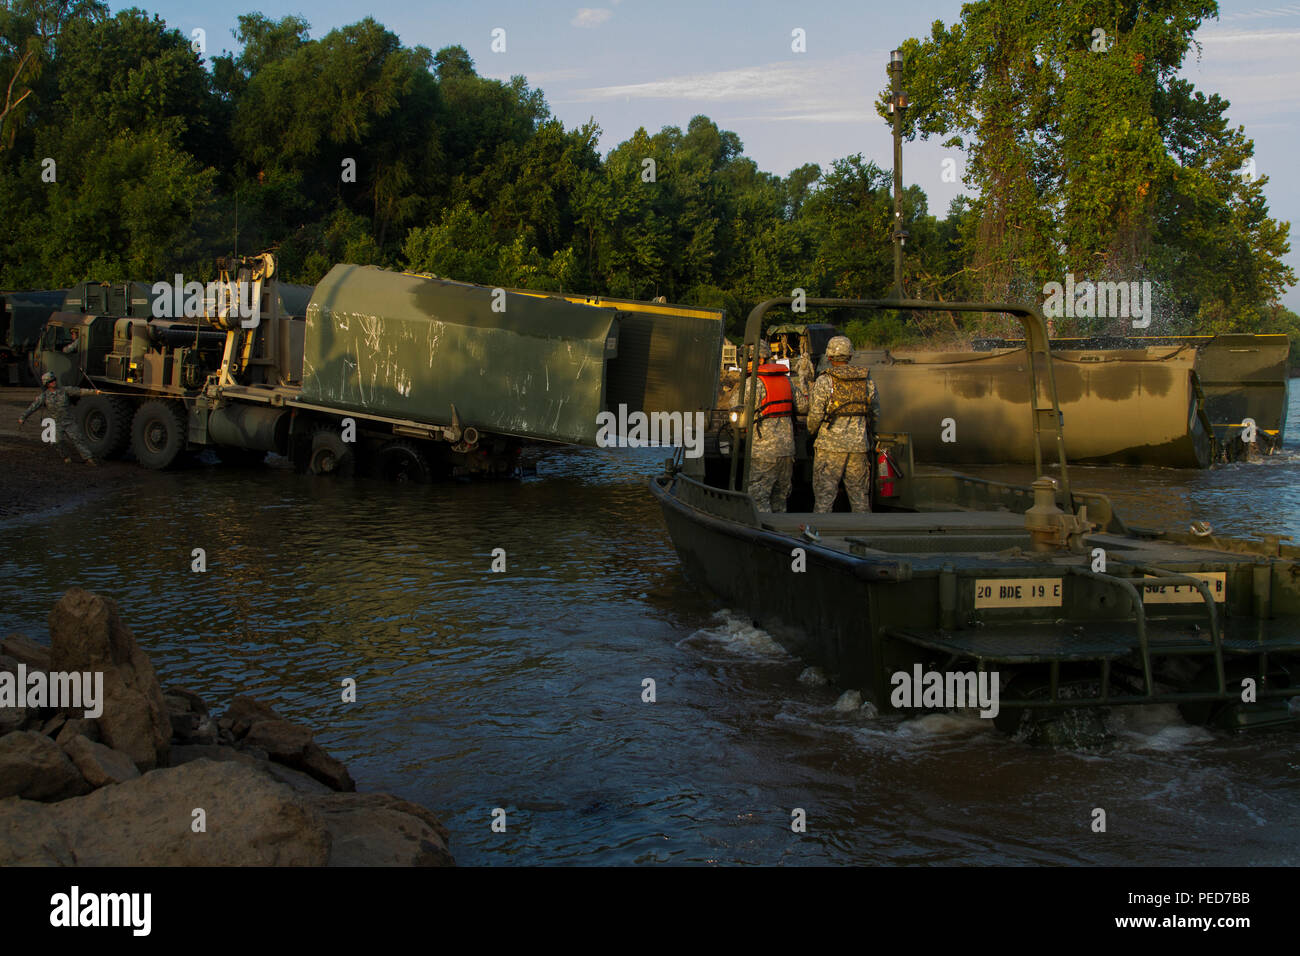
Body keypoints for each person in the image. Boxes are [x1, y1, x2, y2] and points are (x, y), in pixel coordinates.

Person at [733, 340, 807, 513]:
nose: (744, 363)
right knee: (780, 499)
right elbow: (803, 406)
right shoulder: (787, 381)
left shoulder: (753, 383)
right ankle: (781, 532)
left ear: (758, 360)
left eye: (746, 359)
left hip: (763, 452)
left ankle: (763, 535)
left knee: (758, 500)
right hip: (787, 451)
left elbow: (735, 407)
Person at [807, 335, 878, 513]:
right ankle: (863, 535)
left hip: (830, 448)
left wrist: (811, 432)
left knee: (824, 498)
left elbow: (815, 414)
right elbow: (875, 412)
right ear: (850, 355)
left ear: (829, 357)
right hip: (859, 446)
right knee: (860, 497)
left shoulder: (824, 380)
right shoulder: (866, 379)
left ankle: (820, 537)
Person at [18, 372, 101, 465]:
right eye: (50, 381)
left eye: (54, 380)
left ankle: (88, 458)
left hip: (69, 421)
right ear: (47, 384)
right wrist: (23, 417)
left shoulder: (65, 390)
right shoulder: (44, 396)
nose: (53, 382)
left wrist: (94, 392)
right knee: (56, 442)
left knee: (77, 439)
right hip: (56, 423)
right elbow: (33, 407)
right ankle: (66, 457)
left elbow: (79, 391)